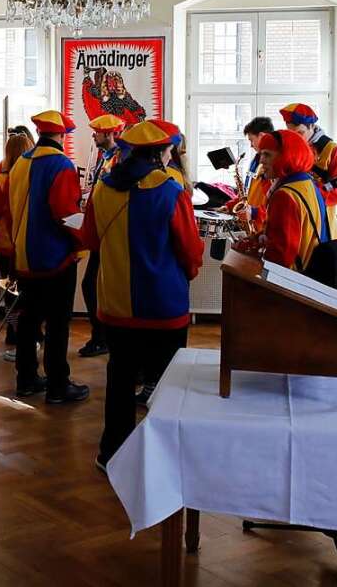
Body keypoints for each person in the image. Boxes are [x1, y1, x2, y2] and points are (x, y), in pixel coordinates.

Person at [81, 119, 203, 469]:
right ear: (161, 153)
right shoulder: (170, 190)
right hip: (163, 303)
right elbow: (189, 250)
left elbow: (90, 239)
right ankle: (162, 459)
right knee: (167, 383)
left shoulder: (104, 188)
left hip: (117, 302)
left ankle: (112, 453)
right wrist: (189, 274)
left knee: (119, 379)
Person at [6, 110, 90, 404]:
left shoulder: (20, 164)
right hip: (55, 258)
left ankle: (25, 378)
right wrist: (83, 241)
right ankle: (57, 385)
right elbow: (66, 215)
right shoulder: (61, 165)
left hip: (24, 255)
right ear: (62, 135)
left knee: (29, 320)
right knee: (57, 323)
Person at [0, 131, 35, 362]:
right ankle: (29, 336)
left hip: (3, 244)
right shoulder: (32, 179)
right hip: (27, 243)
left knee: (10, 293)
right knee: (29, 296)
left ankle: (13, 333)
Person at [77, 114, 126, 359]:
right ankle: (101, 335)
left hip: (107, 230)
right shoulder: (106, 157)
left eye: (97, 132)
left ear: (110, 134)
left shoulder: (118, 159)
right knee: (92, 285)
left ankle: (101, 336)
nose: (94, 136)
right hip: (99, 226)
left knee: (92, 285)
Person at [256, 129, 331, 271]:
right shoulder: (308, 183)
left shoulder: (284, 195)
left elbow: (281, 257)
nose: (261, 160)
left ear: (285, 156)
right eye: (261, 154)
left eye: (267, 154)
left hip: (291, 282)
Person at [280, 103, 337, 236]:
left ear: (312, 126)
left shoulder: (331, 150)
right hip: (293, 217)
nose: (296, 139)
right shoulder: (287, 148)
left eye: (300, 133)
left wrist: (309, 196)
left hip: (321, 222)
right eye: (291, 134)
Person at [226, 116, 274, 231]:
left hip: (264, 226)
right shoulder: (256, 160)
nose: (251, 145)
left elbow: (273, 204)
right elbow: (247, 193)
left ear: (262, 136)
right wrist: (229, 206)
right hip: (253, 223)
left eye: (251, 140)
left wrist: (254, 212)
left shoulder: (271, 165)